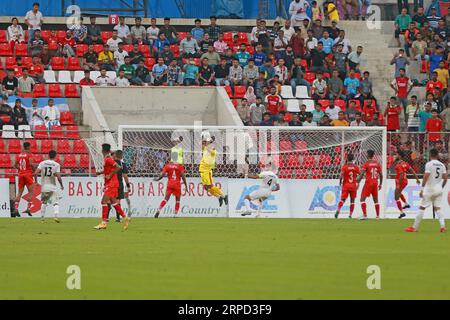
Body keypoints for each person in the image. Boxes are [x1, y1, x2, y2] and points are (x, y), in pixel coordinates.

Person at [405, 149, 447, 232]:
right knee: (438, 208)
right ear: (437, 155)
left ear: (430, 155)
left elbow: (426, 176)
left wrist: (422, 189)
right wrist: (441, 187)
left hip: (430, 189)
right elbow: (445, 179)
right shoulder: (442, 165)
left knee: (422, 207)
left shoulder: (429, 164)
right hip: (438, 189)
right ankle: (442, 226)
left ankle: (414, 227)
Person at [94, 143, 129, 230]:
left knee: (103, 201)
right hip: (112, 183)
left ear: (102, 150)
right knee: (114, 203)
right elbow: (110, 168)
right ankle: (125, 218)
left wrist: (110, 175)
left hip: (112, 184)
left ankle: (103, 223)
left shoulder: (108, 159)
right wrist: (101, 172)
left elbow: (118, 167)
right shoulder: (107, 159)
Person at [153, 152, 188, 218]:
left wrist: (158, 179)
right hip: (177, 184)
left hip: (170, 184)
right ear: (177, 158)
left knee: (166, 199)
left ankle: (159, 209)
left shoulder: (167, 166)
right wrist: (186, 186)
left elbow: (162, 175)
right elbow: (183, 176)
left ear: (171, 158)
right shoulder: (180, 166)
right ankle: (175, 215)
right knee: (177, 200)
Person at [199, 132, 228, 206]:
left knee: (210, 186)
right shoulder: (205, 149)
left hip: (207, 171)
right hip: (202, 170)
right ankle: (218, 197)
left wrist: (208, 141)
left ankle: (224, 196)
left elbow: (208, 148)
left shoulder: (213, 152)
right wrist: (204, 139)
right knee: (206, 188)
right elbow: (202, 145)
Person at [35, 150, 64, 223]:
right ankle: (56, 217)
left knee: (44, 202)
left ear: (48, 155)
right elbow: (59, 177)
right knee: (56, 202)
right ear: (55, 156)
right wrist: (61, 185)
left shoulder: (42, 163)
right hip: (53, 186)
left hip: (44, 186)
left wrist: (36, 182)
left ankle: (42, 218)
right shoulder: (56, 164)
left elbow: (35, 173)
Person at [394, 150, 420, 219]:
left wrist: (399, 183)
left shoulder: (399, 165)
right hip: (405, 181)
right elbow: (412, 171)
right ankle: (406, 204)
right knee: (398, 193)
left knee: (396, 197)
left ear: (399, 156)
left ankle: (402, 212)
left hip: (400, 181)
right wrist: (417, 179)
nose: (396, 156)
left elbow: (401, 175)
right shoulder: (405, 163)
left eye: (397, 154)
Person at [357, 150, 382, 220]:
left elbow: (361, 174)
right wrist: (380, 184)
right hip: (375, 183)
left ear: (368, 155)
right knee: (376, 200)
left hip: (368, 183)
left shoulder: (366, 164)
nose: (366, 155)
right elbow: (381, 175)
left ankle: (365, 215)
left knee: (362, 199)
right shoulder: (377, 163)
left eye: (366, 154)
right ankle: (378, 216)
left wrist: (357, 180)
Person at [13, 142, 36, 217]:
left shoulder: (19, 155)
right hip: (28, 175)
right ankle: (28, 208)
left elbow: (15, 165)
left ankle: (16, 209)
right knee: (31, 192)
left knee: (19, 193)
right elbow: (32, 164)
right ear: (28, 147)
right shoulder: (29, 155)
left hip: (21, 175)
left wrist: (20, 169)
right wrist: (34, 171)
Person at [335, 154, 360, 219]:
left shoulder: (344, 167)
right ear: (353, 159)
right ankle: (350, 215)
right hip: (353, 186)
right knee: (352, 201)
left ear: (347, 159)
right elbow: (361, 174)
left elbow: (341, 176)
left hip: (346, 185)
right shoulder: (356, 167)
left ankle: (338, 209)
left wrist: (340, 183)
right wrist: (358, 182)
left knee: (342, 200)